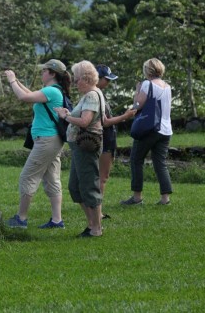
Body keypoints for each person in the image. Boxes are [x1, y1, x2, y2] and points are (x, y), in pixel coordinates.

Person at [4, 59, 72, 229]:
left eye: (44, 71)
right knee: (52, 179)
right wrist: (17, 81)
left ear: (52, 74)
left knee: (28, 176)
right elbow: (31, 94)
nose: (42, 73)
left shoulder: (51, 91)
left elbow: (23, 97)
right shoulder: (52, 91)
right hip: (52, 141)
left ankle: (21, 219)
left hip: (46, 141)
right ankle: (57, 221)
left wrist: (12, 80)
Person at [55, 60, 105, 238]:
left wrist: (65, 116)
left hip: (86, 146)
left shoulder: (91, 95)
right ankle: (92, 223)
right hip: (79, 146)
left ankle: (96, 228)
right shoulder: (91, 94)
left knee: (89, 186)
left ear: (86, 78)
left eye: (76, 80)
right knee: (75, 187)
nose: (75, 84)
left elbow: (85, 121)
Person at [121, 58, 173, 205]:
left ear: (147, 70)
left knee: (136, 159)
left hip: (150, 129)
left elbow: (137, 105)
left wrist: (137, 90)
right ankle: (165, 199)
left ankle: (137, 197)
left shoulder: (147, 84)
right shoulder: (167, 86)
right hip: (166, 130)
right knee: (160, 163)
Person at [95, 64, 137, 218]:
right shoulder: (97, 94)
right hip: (105, 139)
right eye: (106, 79)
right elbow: (105, 122)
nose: (108, 83)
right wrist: (125, 117)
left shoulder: (98, 93)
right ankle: (97, 211)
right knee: (102, 177)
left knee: (100, 177)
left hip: (106, 139)